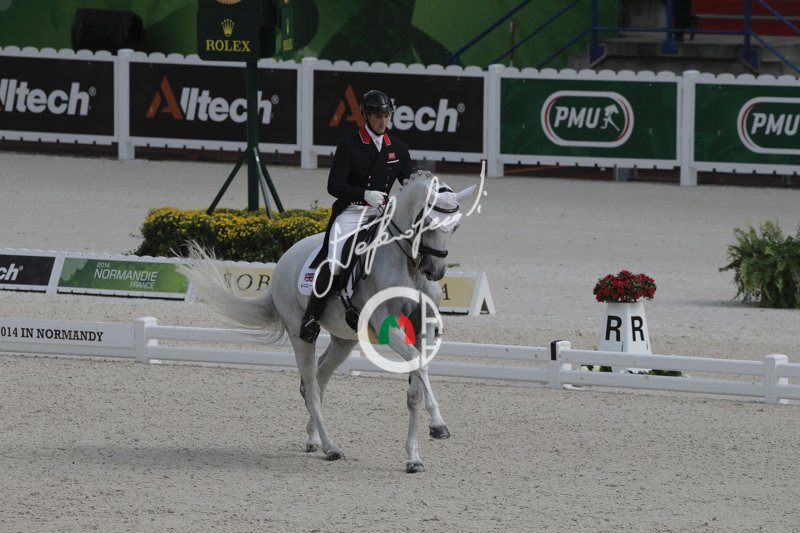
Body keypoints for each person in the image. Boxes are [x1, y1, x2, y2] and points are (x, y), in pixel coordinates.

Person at [298, 89, 413, 343]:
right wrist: (363, 194)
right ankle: (311, 317)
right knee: (334, 259)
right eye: (377, 116)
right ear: (366, 116)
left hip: (381, 212)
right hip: (352, 211)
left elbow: (409, 182)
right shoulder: (349, 145)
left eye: (386, 116)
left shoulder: (398, 148)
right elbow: (334, 185)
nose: (382, 121)